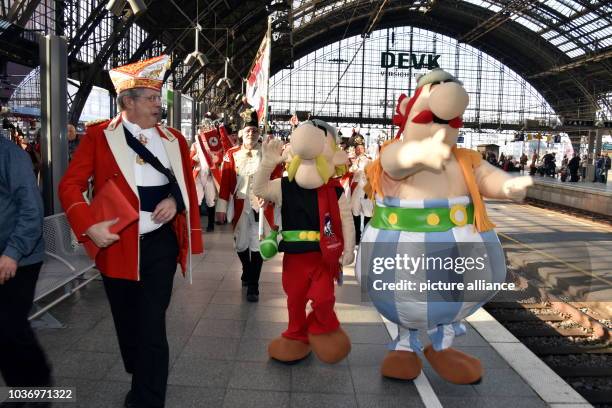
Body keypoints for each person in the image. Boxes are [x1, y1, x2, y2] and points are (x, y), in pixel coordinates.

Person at [58, 54, 203, 408]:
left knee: (152, 325)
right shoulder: (98, 137)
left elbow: (186, 184)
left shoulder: (174, 141)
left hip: (160, 247)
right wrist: (89, 226)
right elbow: (70, 186)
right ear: (129, 102)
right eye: (152, 99)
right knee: (128, 323)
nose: (159, 105)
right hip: (117, 246)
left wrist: (175, 201)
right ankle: (141, 373)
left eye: (159, 98)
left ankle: (146, 398)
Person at [0, 134, 52, 399]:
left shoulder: (11, 155)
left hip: (19, 259)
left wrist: (13, 252)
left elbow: (31, 208)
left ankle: (40, 389)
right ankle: (20, 392)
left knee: (11, 327)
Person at [216, 109, 281, 302]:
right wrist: (221, 208)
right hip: (240, 203)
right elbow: (226, 180)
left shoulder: (268, 152)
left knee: (257, 243)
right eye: (247, 131)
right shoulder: (231, 153)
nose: (251, 133)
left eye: (254, 130)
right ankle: (246, 268)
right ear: (241, 134)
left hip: (262, 204)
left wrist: (269, 196)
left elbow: (277, 176)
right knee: (241, 243)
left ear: (258, 132)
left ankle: (254, 285)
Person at [348, 134, 372, 245]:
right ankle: (357, 236)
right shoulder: (353, 161)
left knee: (368, 214)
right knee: (355, 213)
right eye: (357, 149)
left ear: (364, 149)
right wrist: (355, 164)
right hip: (356, 191)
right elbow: (352, 172)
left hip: (366, 190)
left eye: (361, 148)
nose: (359, 150)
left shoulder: (369, 161)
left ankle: (366, 236)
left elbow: (372, 176)